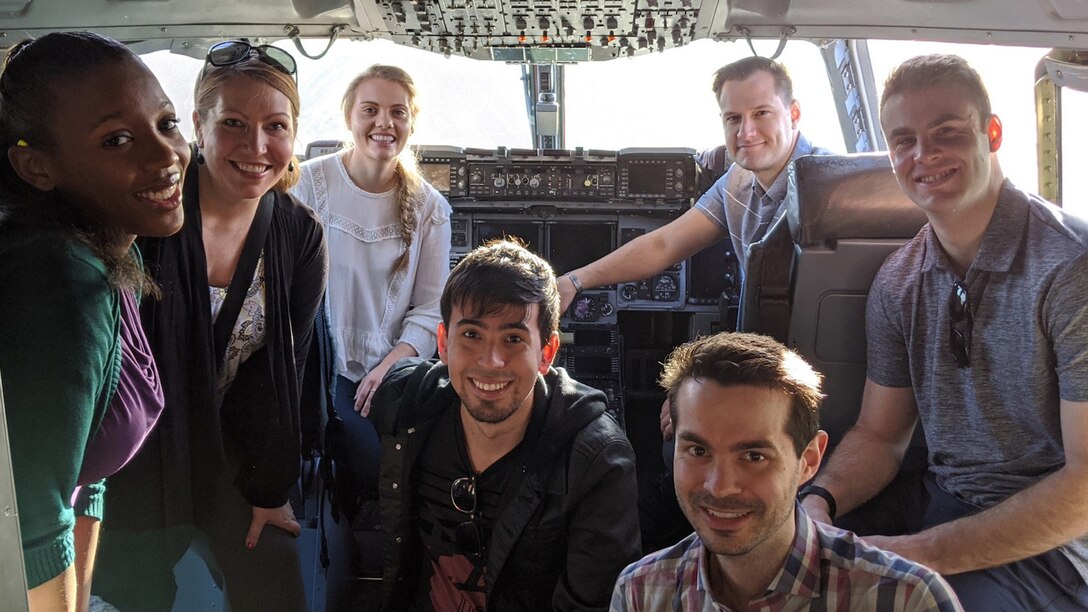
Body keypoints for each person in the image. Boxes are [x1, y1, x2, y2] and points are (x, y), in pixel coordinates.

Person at [800, 54, 1088, 610]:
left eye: (947, 133)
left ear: (993, 132)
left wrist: (916, 556)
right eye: (903, 140)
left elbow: (1084, 488)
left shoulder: (1070, 269)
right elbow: (881, 437)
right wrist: (818, 501)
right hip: (943, 506)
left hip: (1058, 551)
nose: (923, 155)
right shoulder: (900, 281)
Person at [93, 41, 327, 611]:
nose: (257, 147)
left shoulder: (300, 236)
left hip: (231, 454)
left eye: (276, 126)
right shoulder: (146, 215)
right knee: (134, 595)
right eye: (234, 124)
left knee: (277, 581)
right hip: (134, 457)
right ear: (198, 125)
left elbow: (284, 376)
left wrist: (270, 491)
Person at [0, 31, 188, 612]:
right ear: (37, 167)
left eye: (167, 123)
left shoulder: (113, 250)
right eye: (118, 140)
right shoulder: (58, 276)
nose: (167, 157)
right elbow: (34, 516)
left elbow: (87, 479)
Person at [368, 239, 641, 611]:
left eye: (513, 339)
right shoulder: (408, 406)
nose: (491, 361)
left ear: (546, 353)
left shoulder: (595, 462)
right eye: (472, 335)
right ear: (444, 343)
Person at [612, 332, 962, 611]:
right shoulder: (640, 594)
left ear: (809, 459)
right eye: (698, 450)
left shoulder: (907, 599)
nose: (720, 487)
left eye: (753, 456)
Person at [291, 60, 450, 513]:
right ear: (350, 118)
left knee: (401, 469)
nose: (385, 123)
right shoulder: (306, 184)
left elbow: (431, 310)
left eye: (398, 112)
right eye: (371, 110)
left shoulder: (429, 208)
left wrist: (390, 367)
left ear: (411, 123)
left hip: (389, 371)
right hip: (316, 365)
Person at [556, 55, 831, 315]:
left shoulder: (837, 185)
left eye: (761, 113)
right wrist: (575, 281)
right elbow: (664, 245)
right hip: (762, 342)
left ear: (793, 113)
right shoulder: (736, 182)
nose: (745, 132)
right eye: (733, 118)